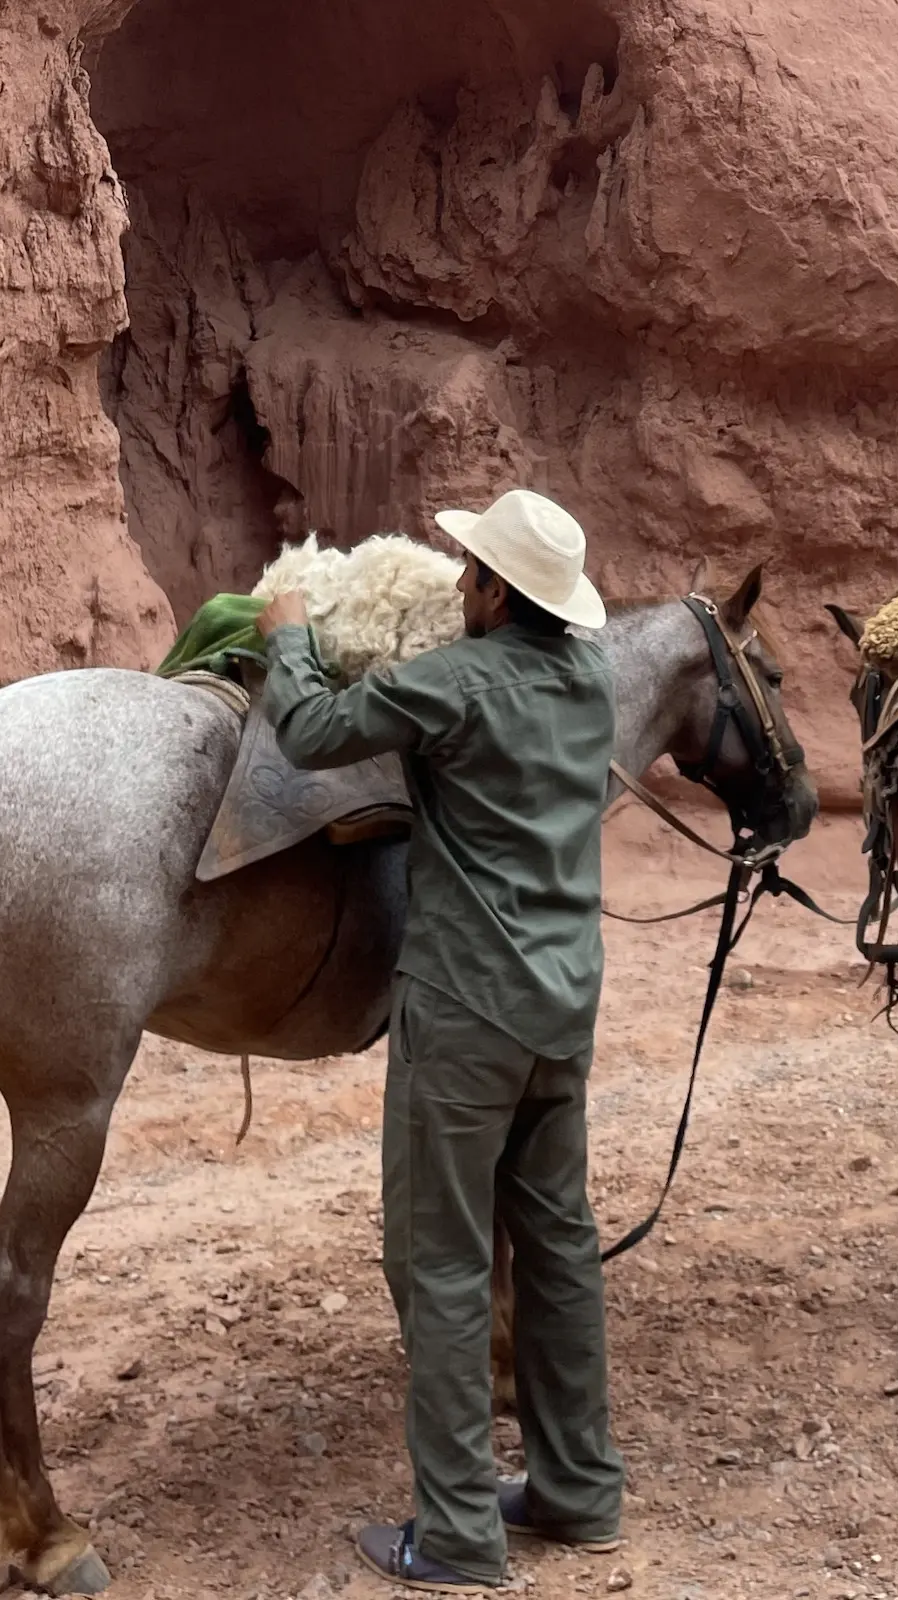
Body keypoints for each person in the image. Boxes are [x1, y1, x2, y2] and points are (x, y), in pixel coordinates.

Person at [255, 488, 627, 1593]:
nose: (462, 584)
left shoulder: (457, 683)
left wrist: (286, 643)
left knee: (443, 1261)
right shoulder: (591, 682)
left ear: (498, 591)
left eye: (473, 573)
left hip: (465, 1012)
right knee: (559, 1247)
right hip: (564, 1010)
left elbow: (315, 734)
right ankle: (578, 1489)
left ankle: (458, 1532)